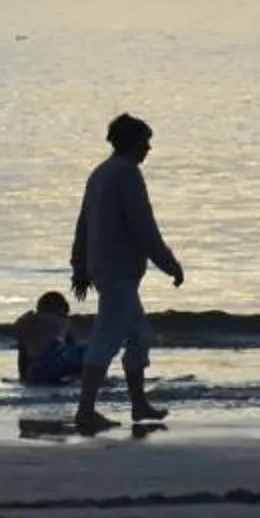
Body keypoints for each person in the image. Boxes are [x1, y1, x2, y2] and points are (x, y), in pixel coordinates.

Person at [69, 112, 184, 433]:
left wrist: (79, 265)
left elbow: (83, 223)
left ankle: (138, 404)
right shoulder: (126, 175)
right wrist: (170, 264)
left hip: (108, 269)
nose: (148, 148)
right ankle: (85, 411)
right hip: (117, 271)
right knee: (106, 339)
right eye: (145, 142)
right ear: (132, 143)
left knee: (139, 337)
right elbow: (144, 227)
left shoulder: (100, 173)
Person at [14, 290, 85, 387]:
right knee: (85, 353)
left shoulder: (30, 322)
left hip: (36, 370)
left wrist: (24, 377)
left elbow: (23, 355)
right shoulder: (62, 322)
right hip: (53, 362)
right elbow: (71, 347)